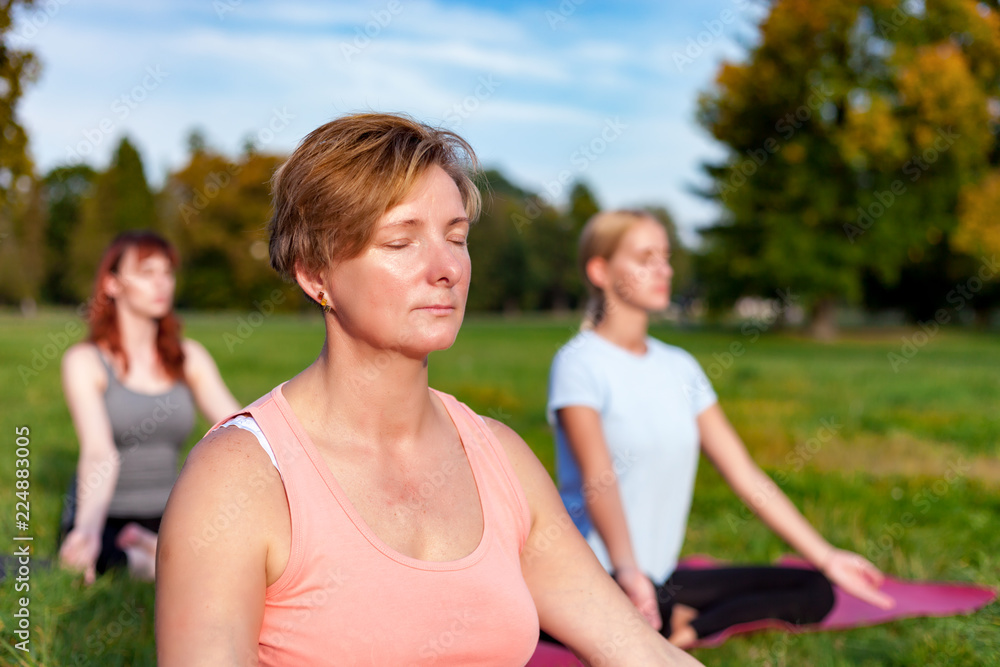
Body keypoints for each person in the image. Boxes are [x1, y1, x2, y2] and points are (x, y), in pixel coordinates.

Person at [154, 114, 701, 666]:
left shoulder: (500, 459)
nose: (446, 269)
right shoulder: (237, 479)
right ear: (315, 274)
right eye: (400, 241)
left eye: (456, 237)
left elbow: (639, 652)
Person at [548, 209, 895, 648]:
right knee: (626, 610)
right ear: (599, 270)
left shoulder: (680, 366)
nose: (664, 269)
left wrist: (827, 556)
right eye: (645, 257)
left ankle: (683, 629)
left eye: (666, 256)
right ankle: (663, 621)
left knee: (815, 589)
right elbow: (601, 482)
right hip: (594, 574)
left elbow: (745, 475)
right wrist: (628, 571)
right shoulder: (579, 363)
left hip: (659, 578)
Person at [59, 230, 240, 583]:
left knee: (231, 553)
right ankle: (155, 559)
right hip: (105, 514)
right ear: (112, 284)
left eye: (167, 272)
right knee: (103, 560)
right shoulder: (85, 361)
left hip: (170, 513)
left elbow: (236, 428)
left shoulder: (190, 357)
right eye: (146, 272)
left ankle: (159, 554)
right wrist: (87, 531)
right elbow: (99, 452)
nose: (162, 284)